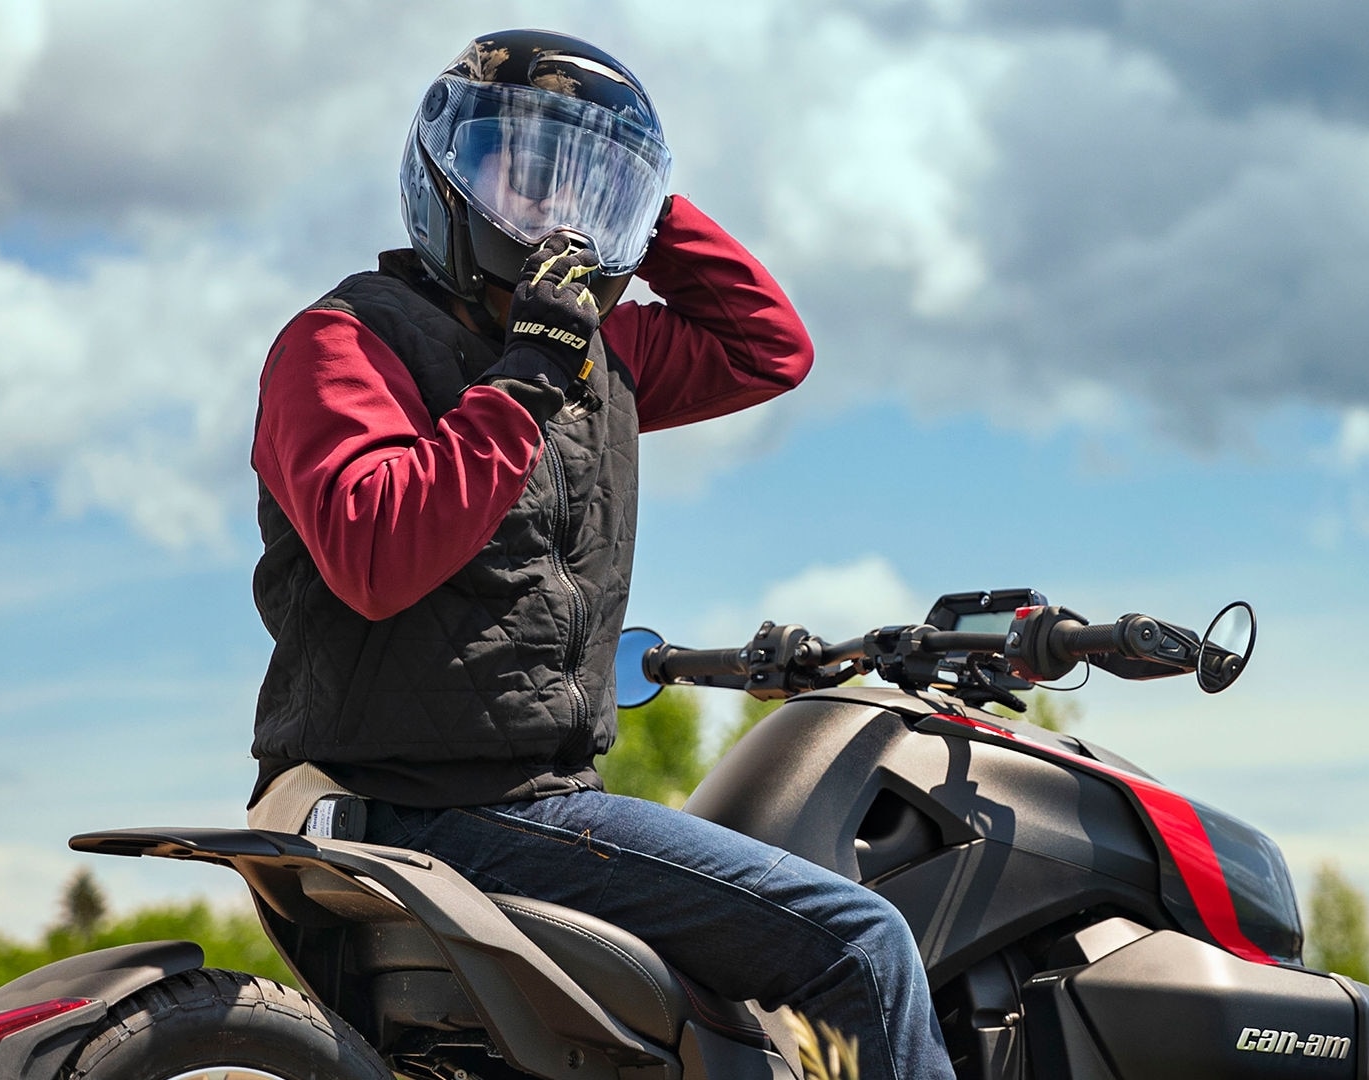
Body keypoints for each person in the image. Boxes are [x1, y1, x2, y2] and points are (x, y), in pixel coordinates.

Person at [245, 29, 952, 1079]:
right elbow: (374, 551)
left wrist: (641, 205)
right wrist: (526, 378)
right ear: (443, 180)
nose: (552, 219)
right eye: (520, 179)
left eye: (583, 192)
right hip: (428, 804)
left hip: (510, 805)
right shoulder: (348, 339)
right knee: (866, 947)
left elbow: (768, 349)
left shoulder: (600, 363)